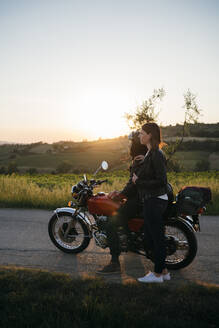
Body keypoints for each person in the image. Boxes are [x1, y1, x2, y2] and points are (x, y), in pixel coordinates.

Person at [96, 131, 147, 274]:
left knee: (111, 223)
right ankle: (129, 241)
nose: (130, 146)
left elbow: (133, 185)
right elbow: (133, 183)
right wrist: (121, 193)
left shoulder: (139, 159)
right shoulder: (147, 156)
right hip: (142, 198)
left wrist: (120, 195)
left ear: (136, 145)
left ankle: (114, 263)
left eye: (132, 143)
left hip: (138, 200)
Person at [132, 122, 170, 283]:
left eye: (142, 133)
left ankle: (157, 275)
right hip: (151, 200)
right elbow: (152, 172)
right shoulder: (150, 154)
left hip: (155, 201)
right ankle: (164, 271)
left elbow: (161, 181)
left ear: (150, 135)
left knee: (156, 239)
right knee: (149, 238)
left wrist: (138, 182)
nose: (139, 135)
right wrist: (143, 160)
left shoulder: (156, 153)